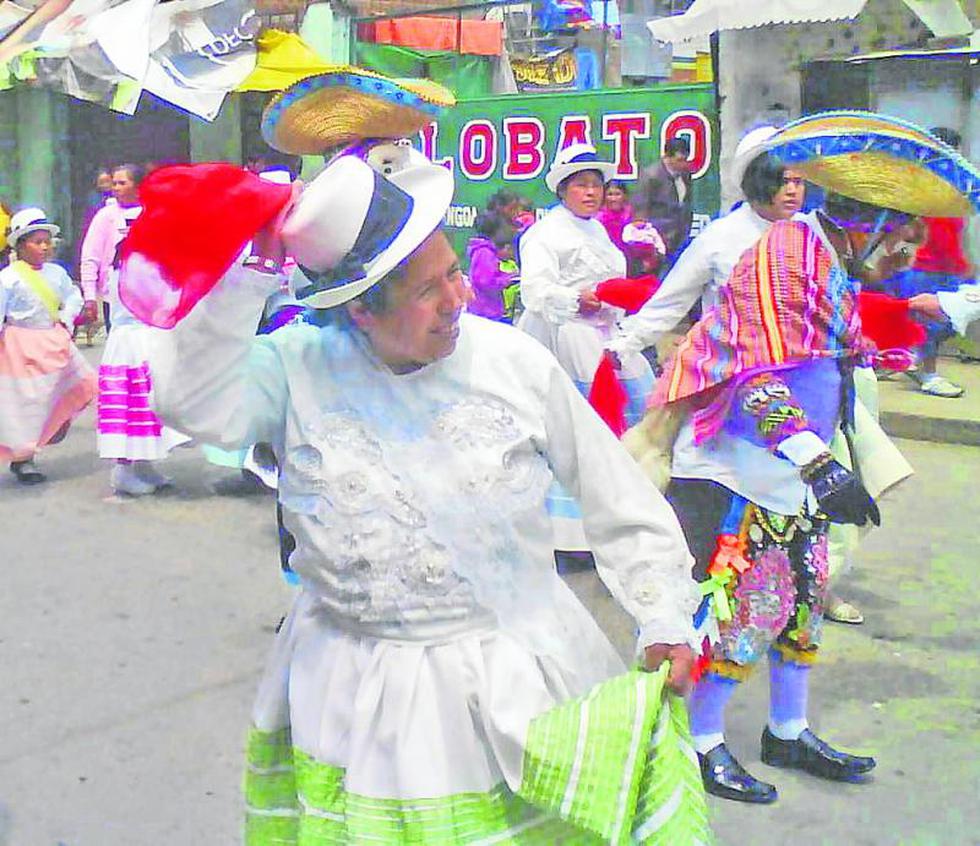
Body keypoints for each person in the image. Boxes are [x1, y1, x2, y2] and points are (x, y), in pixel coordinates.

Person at [136, 145, 710, 842]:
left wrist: (663, 616)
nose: (458, 299)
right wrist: (244, 276)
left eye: (453, 272)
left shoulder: (513, 361)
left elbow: (617, 494)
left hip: (515, 680)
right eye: (426, 291)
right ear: (359, 314)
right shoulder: (295, 369)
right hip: (346, 693)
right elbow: (190, 401)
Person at [629, 110, 978, 806]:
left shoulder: (829, 259)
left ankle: (787, 730)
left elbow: (827, 350)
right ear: (867, 222)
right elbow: (755, 377)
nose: (908, 251)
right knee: (744, 612)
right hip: (738, 469)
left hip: (793, 467)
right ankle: (698, 745)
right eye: (901, 236)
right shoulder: (789, 255)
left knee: (803, 604)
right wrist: (822, 465)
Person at [517, 143, 657, 551]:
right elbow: (535, 290)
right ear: (563, 190)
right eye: (581, 186)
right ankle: (571, 533)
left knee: (634, 410)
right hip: (567, 335)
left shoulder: (598, 230)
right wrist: (577, 299)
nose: (591, 193)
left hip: (606, 333)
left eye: (597, 185)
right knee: (578, 427)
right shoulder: (545, 233)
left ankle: (621, 511)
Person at [608, 126, 805, 361]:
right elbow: (671, 302)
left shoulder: (810, 232)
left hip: (801, 364)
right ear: (756, 182)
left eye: (798, 181)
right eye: (782, 182)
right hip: (737, 369)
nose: (792, 191)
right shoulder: (720, 237)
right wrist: (624, 345)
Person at [0, 208, 96, 483]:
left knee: (83, 384)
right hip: (20, 345)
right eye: (37, 241)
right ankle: (23, 459)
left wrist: (66, 320)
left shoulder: (56, 273)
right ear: (20, 245)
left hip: (53, 339)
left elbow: (72, 297)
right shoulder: (8, 278)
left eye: (47, 241)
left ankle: (55, 424)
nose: (44, 247)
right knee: (25, 404)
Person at [879, 128, 973, 397]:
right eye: (945, 149)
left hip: (951, 268)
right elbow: (903, 227)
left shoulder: (955, 185)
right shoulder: (917, 184)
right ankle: (927, 373)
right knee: (927, 322)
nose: (951, 155)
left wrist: (964, 263)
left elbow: (957, 232)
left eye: (953, 150)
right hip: (924, 267)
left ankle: (907, 357)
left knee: (949, 322)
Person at [79, 162, 145, 334]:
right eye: (114, 183)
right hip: (114, 297)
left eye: (122, 183)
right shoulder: (104, 216)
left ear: (138, 186)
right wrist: (90, 297)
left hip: (149, 296)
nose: (116, 188)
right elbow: (90, 257)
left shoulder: (153, 212)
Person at [634, 137, 694, 263]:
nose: (683, 164)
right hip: (659, 239)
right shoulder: (651, 176)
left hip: (681, 237)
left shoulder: (685, 174)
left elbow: (686, 203)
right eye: (679, 160)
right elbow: (641, 208)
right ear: (667, 157)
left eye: (685, 160)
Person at [465, 211, 516, 321]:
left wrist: (509, 276)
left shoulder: (486, 252)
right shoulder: (484, 253)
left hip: (487, 310)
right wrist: (506, 281)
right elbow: (485, 282)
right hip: (485, 312)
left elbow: (491, 275)